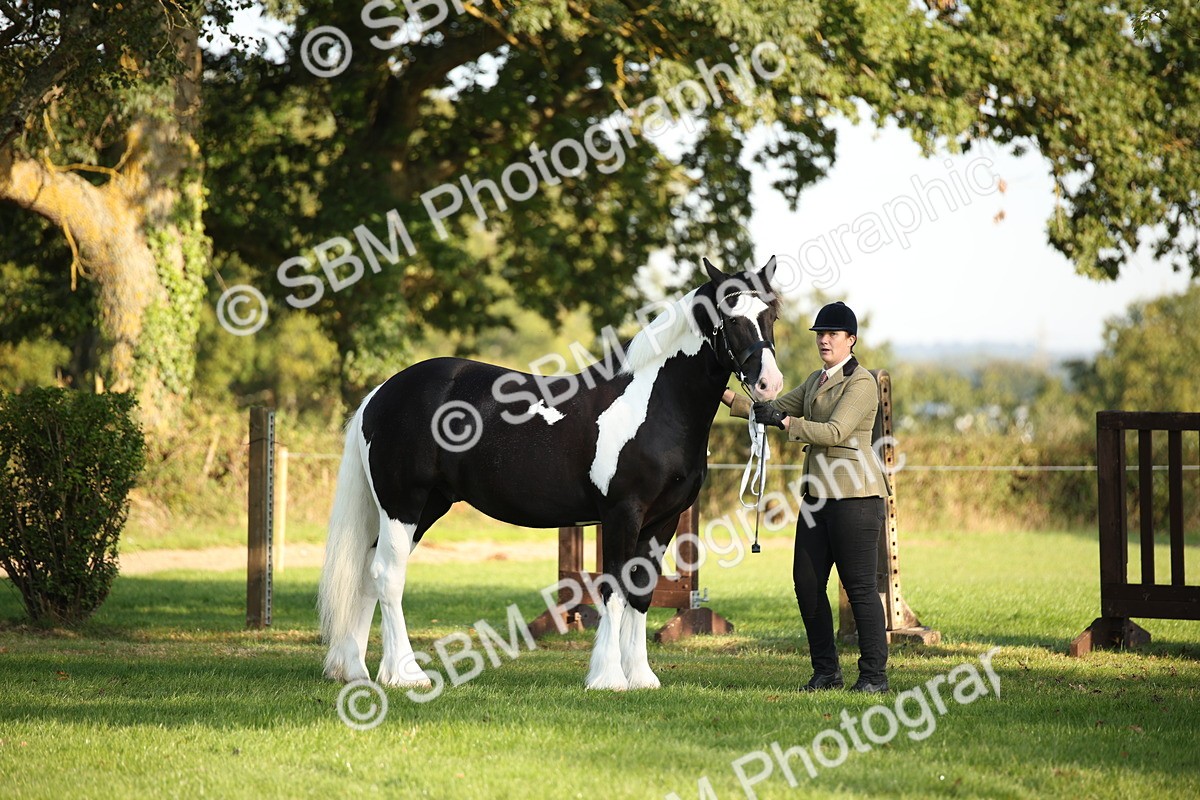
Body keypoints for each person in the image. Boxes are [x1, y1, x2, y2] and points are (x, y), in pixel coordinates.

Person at [721, 300, 892, 693]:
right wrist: (729, 397)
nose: (824, 340)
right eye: (821, 334)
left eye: (832, 334)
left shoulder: (862, 383)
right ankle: (826, 671)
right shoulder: (816, 380)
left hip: (856, 498)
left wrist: (787, 423)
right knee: (806, 583)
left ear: (851, 340)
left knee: (860, 588)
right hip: (817, 497)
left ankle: (873, 677)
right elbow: (773, 407)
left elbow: (835, 432)